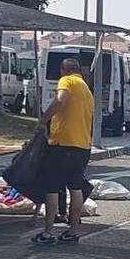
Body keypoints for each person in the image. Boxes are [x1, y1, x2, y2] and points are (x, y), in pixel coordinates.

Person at [33, 58, 94, 244]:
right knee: (75, 188)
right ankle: (73, 230)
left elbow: (60, 101)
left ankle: (48, 232)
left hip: (63, 144)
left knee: (51, 188)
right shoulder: (86, 90)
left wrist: (43, 120)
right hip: (82, 146)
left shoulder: (67, 81)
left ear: (63, 70)